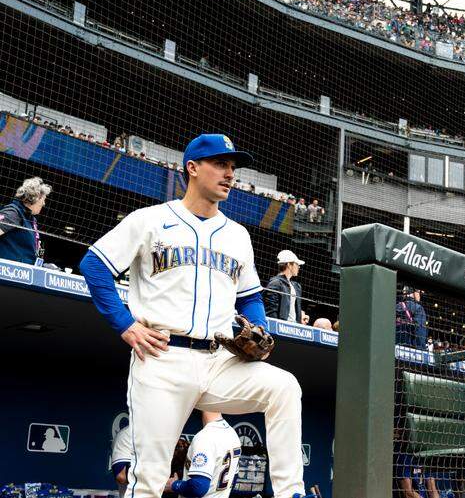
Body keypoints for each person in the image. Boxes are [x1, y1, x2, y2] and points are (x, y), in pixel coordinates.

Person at [79, 134, 306, 498]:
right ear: (193, 168)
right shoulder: (149, 220)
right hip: (162, 358)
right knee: (148, 479)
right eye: (220, 164)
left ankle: (290, 493)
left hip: (219, 360)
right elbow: (94, 265)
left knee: (283, 387)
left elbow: (249, 297)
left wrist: (259, 326)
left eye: (233, 167)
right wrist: (125, 325)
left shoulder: (237, 235)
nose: (230, 173)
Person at [165, 411, 242, 498]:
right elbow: (234, 478)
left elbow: (198, 487)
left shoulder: (205, 438)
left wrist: (174, 485)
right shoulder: (232, 433)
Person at [0, 176, 51, 265]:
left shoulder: (31, 218)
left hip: (25, 273)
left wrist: (43, 266)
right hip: (9, 272)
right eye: (43, 199)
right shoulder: (13, 213)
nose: (44, 203)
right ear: (36, 197)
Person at [264, 250, 308, 324]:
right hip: (282, 326)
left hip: (295, 327)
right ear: (289, 265)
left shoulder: (296, 286)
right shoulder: (275, 284)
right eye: (297, 264)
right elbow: (271, 311)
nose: (299, 267)